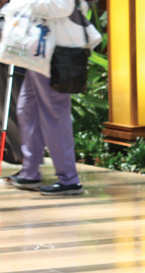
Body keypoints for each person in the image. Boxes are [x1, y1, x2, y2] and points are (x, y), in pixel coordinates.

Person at [9, 0, 99, 195]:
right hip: (40, 54)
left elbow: (63, 6)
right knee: (27, 110)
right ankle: (30, 171)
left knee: (55, 115)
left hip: (55, 55)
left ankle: (69, 179)